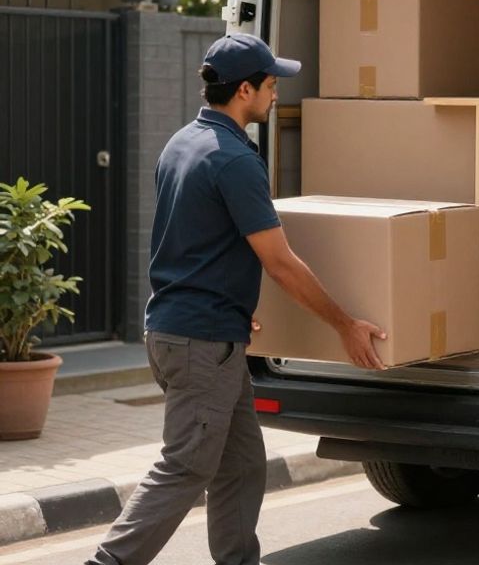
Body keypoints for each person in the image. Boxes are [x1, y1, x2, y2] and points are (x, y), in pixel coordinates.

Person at [88, 33, 386, 565]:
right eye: (271, 85)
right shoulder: (235, 161)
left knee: (243, 464)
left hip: (186, 331)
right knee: (186, 467)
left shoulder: (181, 143)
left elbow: (197, 240)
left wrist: (230, 304)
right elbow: (280, 262)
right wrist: (344, 324)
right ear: (244, 89)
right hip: (201, 341)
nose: (276, 94)